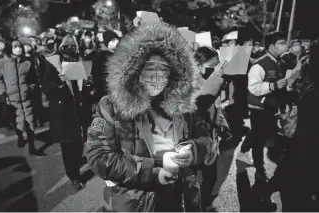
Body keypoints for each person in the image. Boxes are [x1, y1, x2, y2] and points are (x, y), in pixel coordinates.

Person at [85, 23, 218, 212]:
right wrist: (152, 171)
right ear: (134, 69)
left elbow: (209, 142)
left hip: (180, 199)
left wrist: (193, 151)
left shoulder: (184, 104)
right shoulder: (112, 106)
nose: (156, 77)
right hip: (134, 202)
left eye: (163, 69)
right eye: (149, 68)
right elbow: (97, 156)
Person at [261, 39, 319, 212]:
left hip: (303, 153)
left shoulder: (310, 83)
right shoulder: (309, 82)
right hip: (305, 152)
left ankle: (269, 187)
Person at [238, 32, 288, 183]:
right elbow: (253, 88)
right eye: (281, 43)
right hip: (258, 106)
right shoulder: (260, 64)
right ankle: (260, 169)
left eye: (285, 43)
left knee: (258, 133)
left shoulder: (278, 61)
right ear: (272, 46)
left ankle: (243, 152)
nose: (284, 45)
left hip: (270, 107)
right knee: (259, 138)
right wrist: (274, 85)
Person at [40, 33, 86, 190]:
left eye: (73, 44)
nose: (70, 47)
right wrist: (59, 82)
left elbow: (84, 83)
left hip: (78, 109)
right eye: (66, 44)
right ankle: (74, 175)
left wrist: (88, 82)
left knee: (79, 143)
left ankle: (76, 162)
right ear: (59, 45)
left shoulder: (79, 59)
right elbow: (46, 85)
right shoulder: (52, 62)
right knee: (67, 145)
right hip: (62, 110)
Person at [195, 46, 230, 210]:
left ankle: (204, 203)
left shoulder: (216, 81)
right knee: (192, 179)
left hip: (211, 138)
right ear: (198, 65)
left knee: (211, 176)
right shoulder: (191, 83)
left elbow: (217, 108)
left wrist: (222, 125)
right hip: (193, 139)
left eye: (217, 66)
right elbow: (200, 103)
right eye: (211, 66)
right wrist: (216, 77)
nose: (215, 70)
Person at [0, 38, 42, 155]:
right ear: (10, 48)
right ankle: (20, 136)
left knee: (30, 122)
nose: (19, 49)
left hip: (26, 98)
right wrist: (2, 91)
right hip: (11, 100)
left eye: (20, 46)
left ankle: (32, 147)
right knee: (17, 123)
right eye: (15, 47)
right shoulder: (1, 63)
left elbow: (33, 79)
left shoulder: (27, 63)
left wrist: (31, 86)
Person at [91, 30, 119, 103]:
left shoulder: (121, 55)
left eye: (117, 39)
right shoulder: (100, 58)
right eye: (112, 40)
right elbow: (96, 76)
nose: (116, 42)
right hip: (104, 91)